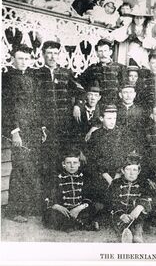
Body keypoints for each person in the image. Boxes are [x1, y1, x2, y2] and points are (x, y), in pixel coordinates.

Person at [2, 44, 42, 222]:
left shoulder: (32, 78)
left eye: (26, 58)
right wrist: (14, 131)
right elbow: (7, 107)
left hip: (33, 129)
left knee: (31, 167)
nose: (24, 61)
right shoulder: (7, 78)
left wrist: (41, 127)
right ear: (13, 59)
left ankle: (27, 207)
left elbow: (36, 104)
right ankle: (14, 211)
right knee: (19, 168)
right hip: (18, 130)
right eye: (20, 58)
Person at [36, 41, 78, 174]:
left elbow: (80, 91)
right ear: (43, 55)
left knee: (63, 158)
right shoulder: (36, 74)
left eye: (55, 53)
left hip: (64, 124)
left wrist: (77, 104)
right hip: (45, 125)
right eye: (49, 53)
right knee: (46, 161)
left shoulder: (66, 73)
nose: (52, 57)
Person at [87, 104, 138, 207]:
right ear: (101, 118)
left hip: (120, 175)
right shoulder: (96, 135)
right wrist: (106, 176)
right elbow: (93, 159)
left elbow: (128, 156)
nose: (112, 121)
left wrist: (119, 175)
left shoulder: (123, 134)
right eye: (109, 118)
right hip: (102, 176)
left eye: (114, 118)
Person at [43, 147, 100, 231]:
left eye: (75, 162)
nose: (72, 166)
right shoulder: (56, 178)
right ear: (63, 164)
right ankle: (81, 225)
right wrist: (57, 206)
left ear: (79, 164)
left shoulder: (84, 177)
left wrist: (79, 208)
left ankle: (70, 224)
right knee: (50, 214)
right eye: (69, 163)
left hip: (79, 209)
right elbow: (49, 195)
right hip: (63, 210)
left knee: (92, 210)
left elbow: (89, 197)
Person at [107, 151, 154, 243]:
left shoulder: (144, 183)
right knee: (120, 223)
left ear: (139, 171)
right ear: (122, 170)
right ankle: (125, 234)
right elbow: (111, 201)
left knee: (140, 221)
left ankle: (138, 233)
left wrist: (140, 207)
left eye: (135, 170)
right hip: (120, 214)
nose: (131, 173)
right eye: (128, 169)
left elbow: (149, 197)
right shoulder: (115, 183)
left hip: (137, 214)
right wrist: (121, 214)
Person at [76, 38, 123, 108]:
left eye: (105, 51)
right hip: (97, 108)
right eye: (100, 51)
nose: (103, 54)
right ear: (97, 53)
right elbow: (79, 84)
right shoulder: (92, 69)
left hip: (115, 107)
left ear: (110, 52)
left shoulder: (120, 68)